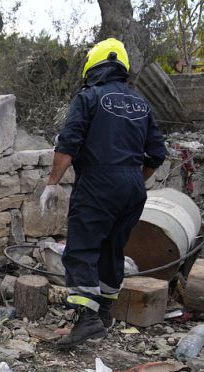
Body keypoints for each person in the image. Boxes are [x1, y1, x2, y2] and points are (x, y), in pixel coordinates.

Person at [42, 38, 166, 348]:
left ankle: (87, 319)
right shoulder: (141, 103)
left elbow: (68, 144)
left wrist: (51, 183)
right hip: (133, 185)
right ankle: (105, 312)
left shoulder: (88, 97)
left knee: (81, 249)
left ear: (92, 66)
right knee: (113, 248)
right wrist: (134, 181)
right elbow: (156, 154)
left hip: (99, 182)